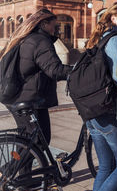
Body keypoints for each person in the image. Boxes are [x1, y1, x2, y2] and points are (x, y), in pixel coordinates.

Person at [85, 1, 117, 191]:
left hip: (92, 111)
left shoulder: (101, 37)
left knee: (106, 166)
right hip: (107, 112)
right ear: (113, 18)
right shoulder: (116, 39)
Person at [1, 9, 72, 145]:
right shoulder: (40, 41)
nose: (55, 29)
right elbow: (55, 70)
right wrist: (77, 70)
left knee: (28, 142)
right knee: (38, 142)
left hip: (17, 96)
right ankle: (17, 167)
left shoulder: (25, 38)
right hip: (31, 100)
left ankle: (20, 166)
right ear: (44, 24)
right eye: (53, 25)